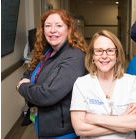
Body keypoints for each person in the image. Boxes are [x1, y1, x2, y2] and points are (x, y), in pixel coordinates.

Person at [16, 9, 87, 138]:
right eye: (48, 26)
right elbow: (27, 75)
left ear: (69, 29)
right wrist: (30, 87)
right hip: (43, 125)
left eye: (59, 26)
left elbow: (47, 95)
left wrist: (21, 87)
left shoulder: (74, 57)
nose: (52, 30)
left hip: (62, 132)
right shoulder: (46, 52)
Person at [70, 30, 136, 138]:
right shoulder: (81, 84)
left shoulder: (132, 82)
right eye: (99, 51)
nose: (104, 56)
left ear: (117, 54)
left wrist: (96, 119)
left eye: (110, 50)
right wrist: (122, 122)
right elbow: (79, 129)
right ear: (92, 55)